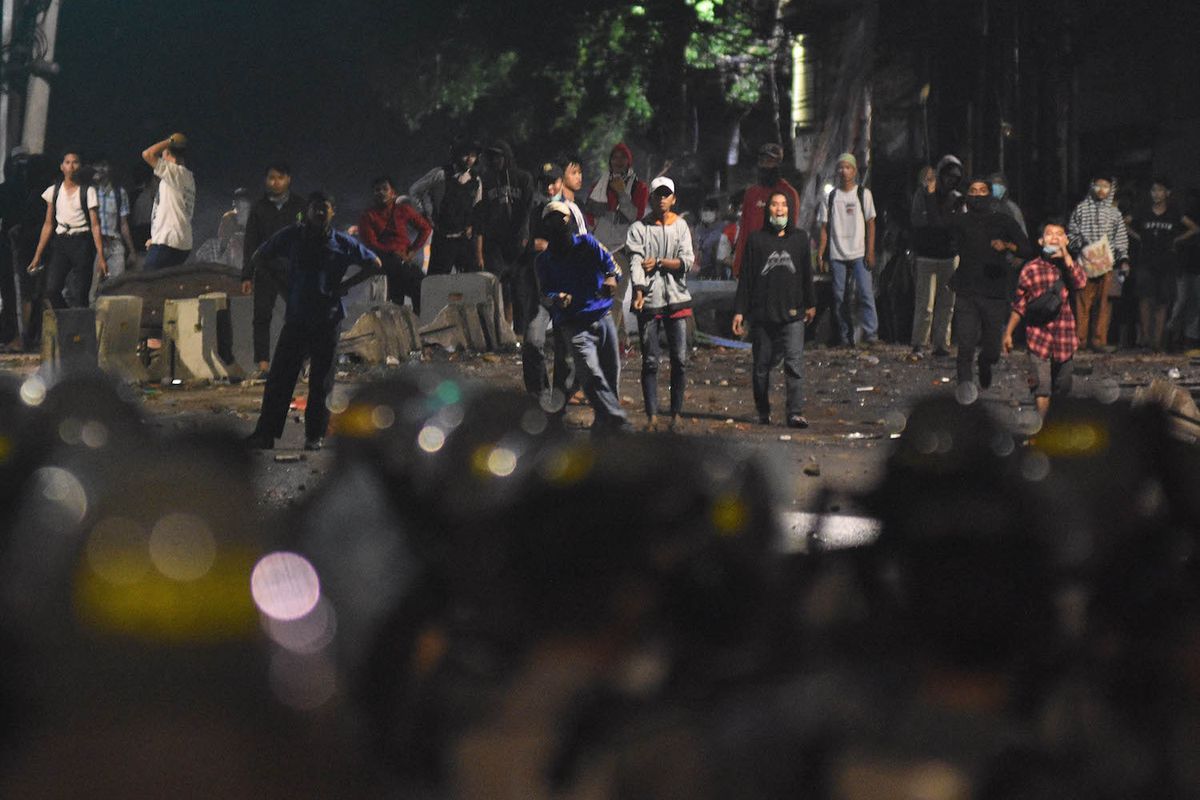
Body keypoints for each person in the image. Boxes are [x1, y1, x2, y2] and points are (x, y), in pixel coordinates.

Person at [243, 192, 382, 451]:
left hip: (327, 319)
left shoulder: (342, 242)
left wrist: (345, 286)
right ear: (307, 211)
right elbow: (259, 258)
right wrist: (283, 290)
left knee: (322, 381)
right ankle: (265, 434)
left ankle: (314, 436)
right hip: (297, 318)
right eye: (315, 208)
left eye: (325, 209)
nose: (319, 213)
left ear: (333, 212)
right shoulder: (292, 235)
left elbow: (375, 263)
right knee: (280, 379)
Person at [535, 201, 627, 432]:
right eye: (551, 221)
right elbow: (545, 293)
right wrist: (558, 297)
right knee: (591, 374)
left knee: (610, 375)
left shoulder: (588, 244)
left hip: (602, 315)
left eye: (561, 219)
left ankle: (605, 425)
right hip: (574, 324)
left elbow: (613, 267)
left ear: (571, 222)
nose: (557, 225)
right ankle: (617, 420)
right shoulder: (543, 261)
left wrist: (611, 279)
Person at [731, 191, 816, 428]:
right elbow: (746, 278)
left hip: (793, 314)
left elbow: (806, 274)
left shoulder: (800, 239)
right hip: (762, 315)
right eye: (775, 205)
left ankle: (795, 412)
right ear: (768, 210)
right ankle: (763, 411)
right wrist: (740, 311)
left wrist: (811, 303)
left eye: (783, 205)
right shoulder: (756, 240)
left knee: (794, 364)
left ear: (789, 210)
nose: (779, 210)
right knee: (761, 367)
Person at [938, 177, 1032, 391]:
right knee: (966, 344)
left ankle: (985, 363)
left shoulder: (1003, 220)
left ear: (990, 195)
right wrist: (942, 198)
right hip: (966, 290)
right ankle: (965, 387)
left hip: (994, 290)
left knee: (992, 348)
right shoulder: (962, 220)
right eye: (973, 190)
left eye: (982, 191)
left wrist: (1007, 246)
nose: (978, 195)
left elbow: (1027, 248)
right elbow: (940, 224)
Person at [627, 176, 694, 430]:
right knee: (650, 361)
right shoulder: (638, 229)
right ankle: (652, 416)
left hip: (677, 298)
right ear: (651, 198)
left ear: (673, 199)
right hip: (651, 300)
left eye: (667, 194)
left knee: (679, 359)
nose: (662, 199)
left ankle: (676, 414)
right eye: (658, 194)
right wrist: (639, 290)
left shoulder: (681, 227)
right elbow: (635, 262)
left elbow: (687, 260)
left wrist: (658, 262)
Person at [1003, 219, 1088, 416]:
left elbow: (1081, 283)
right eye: (1050, 234)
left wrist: (1066, 256)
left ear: (1066, 240)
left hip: (1064, 337)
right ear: (1041, 241)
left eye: (1059, 235)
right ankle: (1043, 429)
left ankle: (1055, 426)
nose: (1054, 238)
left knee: (1063, 387)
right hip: (1038, 336)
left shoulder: (1069, 267)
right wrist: (1008, 333)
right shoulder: (1031, 269)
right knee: (1041, 388)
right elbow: (1019, 304)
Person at [240, 161, 307, 377]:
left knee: (299, 316)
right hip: (266, 268)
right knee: (261, 316)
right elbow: (250, 242)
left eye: (280, 177)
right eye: (271, 178)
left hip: (294, 269)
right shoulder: (259, 207)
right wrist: (247, 275)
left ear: (289, 179)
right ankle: (262, 365)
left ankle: (303, 362)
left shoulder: (300, 205)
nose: (275, 182)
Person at [519, 162, 575, 406]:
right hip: (540, 288)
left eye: (554, 181)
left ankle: (562, 398)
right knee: (532, 341)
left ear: (561, 182)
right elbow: (527, 246)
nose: (550, 186)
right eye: (545, 182)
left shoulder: (573, 210)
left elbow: (582, 248)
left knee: (566, 353)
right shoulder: (534, 211)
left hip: (566, 290)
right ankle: (539, 394)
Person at [584, 142, 650, 345]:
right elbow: (590, 212)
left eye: (622, 158)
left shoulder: (639, 187)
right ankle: (621, 341)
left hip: (623, 249)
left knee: (616, 298)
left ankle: (607, 344)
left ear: (628, 161)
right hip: (601, 248)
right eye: (615, 158)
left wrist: (622, 193)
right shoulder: (599, 185)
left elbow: (635, 215)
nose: (618, 162)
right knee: (602, 296)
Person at [25, 151, 106, 309]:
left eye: (75, 162)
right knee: (52, 289)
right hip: (62, 241)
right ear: (62, 167)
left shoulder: (87, 192)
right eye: (67, 162)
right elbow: (48, 224)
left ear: (80, 166)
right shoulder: (54, 191)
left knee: (80, 293)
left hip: (81, 241)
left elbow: (95, 225)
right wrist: (37, 255)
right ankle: (66, 320)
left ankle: (79, 329)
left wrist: (101, 256)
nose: (71, 166)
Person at [1127, 177, 1198, 352]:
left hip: (1166, 261)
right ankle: (1145, 339)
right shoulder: (1143, 210)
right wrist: (1139, 238)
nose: (1156, 194)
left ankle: (1157, 342)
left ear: (1167, 193)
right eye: (1153, 190)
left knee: (1162, 302)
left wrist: (1176, 240)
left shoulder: (1174, 211)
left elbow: (1194, 228)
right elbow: (1124, 222)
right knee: (1145, 299)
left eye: (1160, 190)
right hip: (1146, 260)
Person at [817, 152, 879, 347]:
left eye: (848, 167)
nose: (844, 171)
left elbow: (871, 223)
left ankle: (871, 333)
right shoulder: (831, 197)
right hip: (837, 253)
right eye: (841, 167)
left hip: (859, 252)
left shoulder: (863, 194)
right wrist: (821, 253)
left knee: (865, 293)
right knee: (839, 296)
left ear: (854, 171)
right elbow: (824, 228)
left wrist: (870, 250)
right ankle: (845, 336)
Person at [1067, 174, 1130, 352]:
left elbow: (1120, 239)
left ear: (1111, 189)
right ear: (1091, 186)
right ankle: (1080, 341)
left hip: (1107, 265)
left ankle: (1099, 341)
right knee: (1082, 303)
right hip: (1085, 262)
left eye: (1106, 186)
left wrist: (1123, 259)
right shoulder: (1081, 209)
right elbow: (1071, 234)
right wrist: (1085, 246)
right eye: (1098, 185)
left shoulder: (1114, 213)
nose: (1102, 189)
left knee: (1104, 304)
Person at [475, 140, 534, 327]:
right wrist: (480, 246)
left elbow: (528, 209)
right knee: (496, 288)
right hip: (494, 243)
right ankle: (499, 329)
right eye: (491, 157)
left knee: (519, 289)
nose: (495, 160)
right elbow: (481, 214)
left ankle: (521, 330)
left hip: (517, 241)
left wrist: (524, 236)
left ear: (506, 155)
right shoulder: (485, 180)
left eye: (498, 156)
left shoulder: (523, 178)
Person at [909, 155, 963, 358]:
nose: (951, 180)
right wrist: (931, 199)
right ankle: (920, 343)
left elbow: (949, 224)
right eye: (948, 176)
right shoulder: (922, 195)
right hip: (926, 256)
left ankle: (941, 343)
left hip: (949, 257)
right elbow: (920, 222)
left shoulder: (957, 198)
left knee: (947, 304)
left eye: (955, 178)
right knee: (925, 303)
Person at [357, 175, 433, 314]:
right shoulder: (368, 216)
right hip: (383, 261)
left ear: (393, 193)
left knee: (424, 290)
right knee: (402, 289)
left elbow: (426, 228)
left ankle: (418, 324)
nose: (380, 192)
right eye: (377, 190)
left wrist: (412, 251)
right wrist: (393, 252)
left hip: (403, 260)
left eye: (385, 189)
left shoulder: (402, 210)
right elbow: (370, 243)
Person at [409, 138, 482, 276]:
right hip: (443, 238)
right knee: (437, 282)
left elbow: (477, 206)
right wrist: (424, 214)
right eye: (466, 154)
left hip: (463, 240)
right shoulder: (440, 174)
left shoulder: (476, 180)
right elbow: (415, 190)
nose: (469, 159)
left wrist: (472, 225)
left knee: (472, 281)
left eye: (473, 155)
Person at [731, 143, 800, 278]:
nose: (765, 165)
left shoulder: (788, 192)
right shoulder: (751, 194)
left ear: (778, 164)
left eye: (770, 161)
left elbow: (791, 229)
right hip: (754, 259)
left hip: (777, 259)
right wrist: (738, 265)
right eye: (762, 161)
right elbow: (744, 230)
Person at [140, 133, 196, 270]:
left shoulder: (175, 173)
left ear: (168, 154)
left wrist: (169, 141)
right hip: (178, 243)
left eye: (163, 154)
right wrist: (155, 238)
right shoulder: (186, 177)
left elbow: (147, 154)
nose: (161, 158)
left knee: (146, 284)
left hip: (168, 243)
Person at [86, 160, 135, 304]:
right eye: (97, 165)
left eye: (104, 165)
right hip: (96, 245)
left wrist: (131, 250)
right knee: (94, 290)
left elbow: (124, 224)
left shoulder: (120, 193)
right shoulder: (89, 192)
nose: (100, 169)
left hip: (115, 244)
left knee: (117, 286)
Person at [215, 187, 252, 267]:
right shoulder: (228, 217)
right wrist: (220, 256)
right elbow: (223, 240)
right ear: (234, 203)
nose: (241, 204)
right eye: (239, 201)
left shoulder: (252, 218)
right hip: (232, 255)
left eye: (244, 201)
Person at [692, 197, 725, 278]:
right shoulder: (698, 229)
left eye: (710, 210)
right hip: (699, 270)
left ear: (717, 213)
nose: (706, 213)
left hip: (717, 270)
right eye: (704, 210)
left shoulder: (723, 229)